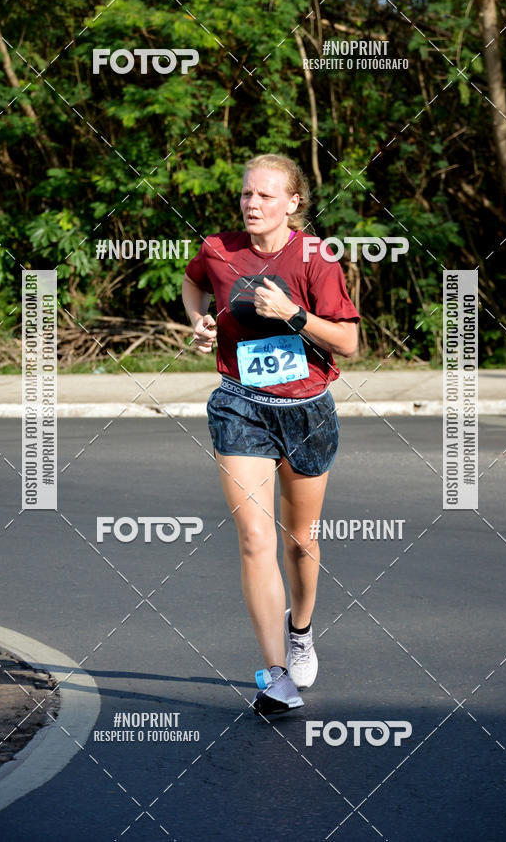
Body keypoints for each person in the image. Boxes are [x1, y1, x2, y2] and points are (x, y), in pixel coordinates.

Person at [181, 154, 360, 716]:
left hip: (306, 408)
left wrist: (294, 315)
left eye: (265, 196)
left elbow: (349, 344)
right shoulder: (218, 249)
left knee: (300, 542)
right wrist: (199, 317)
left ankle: (301, 630)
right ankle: (275, 675)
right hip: (240, 407)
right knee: (256, 541)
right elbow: (192, 284)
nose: (252, 204)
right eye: (246, 194)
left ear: (293, 203)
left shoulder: (317, 257)